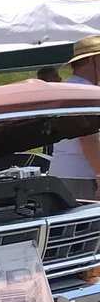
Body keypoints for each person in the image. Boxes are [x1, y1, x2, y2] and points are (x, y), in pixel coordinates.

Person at [49, 35, 100, 198]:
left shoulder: (68, 88)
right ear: (93, 59)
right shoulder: (84, 93)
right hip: (82, 178)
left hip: (67, 173)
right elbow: (89, 139)